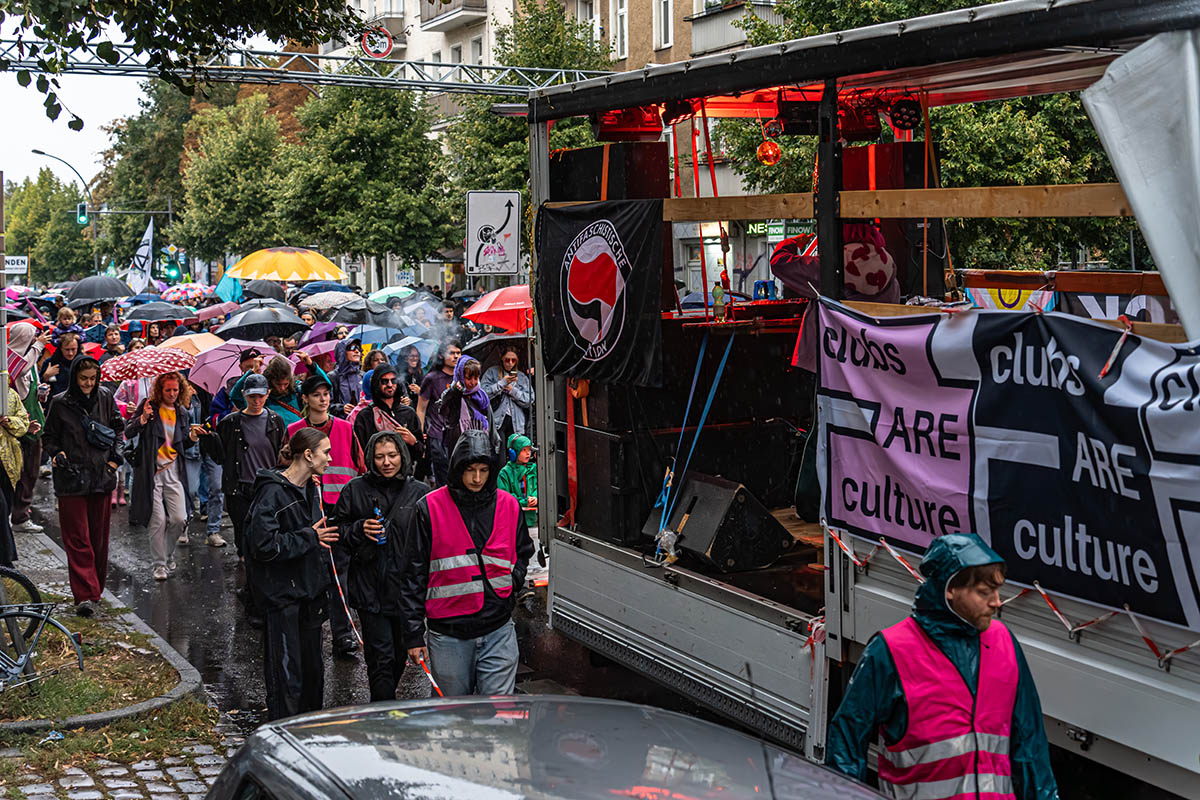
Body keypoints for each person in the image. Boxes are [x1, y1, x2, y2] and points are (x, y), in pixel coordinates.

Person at [826, 533, 1058, 800]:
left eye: (997, 591)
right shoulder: (891, 651)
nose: (996, 602)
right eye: (984, 592)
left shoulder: (1004, 643)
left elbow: (1030, 747)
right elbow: (847, 740)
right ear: (950, 588)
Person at [401, 428, 532, 696]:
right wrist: (414, 635)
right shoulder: (428, 508)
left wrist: (513, 580)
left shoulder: (508, 505)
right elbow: (413, 574)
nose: (476, 478)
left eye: (484, 470)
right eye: (470, 470)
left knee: (498, 715)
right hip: (449, 635)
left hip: (498, 628)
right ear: (457, 468)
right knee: (457, 719)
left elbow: (522, 551)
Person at [245, 426, 338, 721]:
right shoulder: (272, 493)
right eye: (326, 452)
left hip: (310, 596)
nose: (330, 458)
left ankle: (310, 734)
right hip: (283, 600)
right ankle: (284, 737)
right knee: (287, 678)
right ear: (308, 455)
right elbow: (263, 546)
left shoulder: (312, 487)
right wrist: (309, 537)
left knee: (313, 675)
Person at [331, 431, 429, 701]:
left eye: (393, 455)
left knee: (400, 656)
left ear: (402, 456)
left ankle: (384, 704)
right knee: (381, 659)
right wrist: (358, 529)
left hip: (406, 592)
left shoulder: (420, 493)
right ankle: (382, 712)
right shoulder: (355, 489)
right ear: (371, 459)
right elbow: (336, 531)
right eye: (380, 456)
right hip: (370, 589)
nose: (387, 462)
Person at [42, 357, 125, 617]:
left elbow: (118, 430)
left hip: (101, 476)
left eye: (92, 378)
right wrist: (57, 454)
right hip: (71, 478)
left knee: (98, 539)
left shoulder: (106, 397)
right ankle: (85, 595)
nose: (88, 384)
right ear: (75, 378)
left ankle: (95, 590)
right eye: (83, 379)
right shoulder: (59, 403)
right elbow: (50, 437)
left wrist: (114, 461)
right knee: (77, 538)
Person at [287, 373, 361, 658]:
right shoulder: (294, 429)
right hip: (305, 509)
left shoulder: (344, 428)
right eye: (317, 394)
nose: (323, 399)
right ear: (305, 398)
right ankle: (310, 630)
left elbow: (359, 466)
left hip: (339, 510)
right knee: (311, 571)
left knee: (339, 571)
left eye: (326, 393)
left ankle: (342, 634)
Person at [125, 372, 204, 581]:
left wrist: (193, 437)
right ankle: (159, 565)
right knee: (157, 521)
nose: (171, 393)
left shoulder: (182, 412)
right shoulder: (149, 406)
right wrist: (142, 419)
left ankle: (167, 556)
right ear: (160, 390)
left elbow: (183, 443)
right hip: (151, 472)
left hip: (174, 470)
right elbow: (129, 431)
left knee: (180, 519)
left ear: (181, 390)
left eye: (175, 390)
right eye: (167, 389)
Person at [217, 373, 286, 559]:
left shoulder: (276, 421)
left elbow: (281, 453)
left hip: (267, 486)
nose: (256, 401)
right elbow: (219, 455)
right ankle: (246, 567)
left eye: (260, 396)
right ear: (244, 395)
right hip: (240, 487)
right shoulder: (230, 423)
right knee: (242, 531)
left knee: (266, 528)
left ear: (268, 394)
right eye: (252, 396)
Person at [8, 323, 49, 534]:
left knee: (30, 473)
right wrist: (38, 347)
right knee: (19, 473)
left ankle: (20, 513)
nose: (36, 340)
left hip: (34, 423)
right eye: (32, 337)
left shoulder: (30, 360)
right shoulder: (9, 358)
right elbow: (18, 369)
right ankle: (18, 516)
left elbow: (31, 384)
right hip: (17, 427)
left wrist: (42, 393)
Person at [231, 353, 331, 427]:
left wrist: (311, 365)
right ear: (270, 380)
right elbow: (235, 396)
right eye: (278, 384)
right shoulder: (262, 397)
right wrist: (252, 372)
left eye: (286, 384)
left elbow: (326, 387)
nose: (282, 388)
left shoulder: (297, 391)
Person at [353, 365, 421, 470]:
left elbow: (421, 453)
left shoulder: (408, 413)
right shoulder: (365, 416)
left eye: (393, 381)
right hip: (374, 478)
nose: (390, 385)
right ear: (376, 383)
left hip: (404, 478)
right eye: (384, 381)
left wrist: (413, 441)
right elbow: (360, 454)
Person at [416, 340, 460, 486]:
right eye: (452, 353)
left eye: (458, 353)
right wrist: (420, 432)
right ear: (441, 355)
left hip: (459, 434)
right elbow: (421, 408)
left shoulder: (462, 377)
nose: (456, 356)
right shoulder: (432, 378)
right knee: (443, 476)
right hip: (437, 435)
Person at [437, 355, 495, 458]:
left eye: (476, 378)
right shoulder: (452, 393)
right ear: (460, 376)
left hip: (480, 444)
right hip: (458, 445)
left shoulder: (482, 396)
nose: (473, 382)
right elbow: (444, 410)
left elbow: (490, 420)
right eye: (468, 378)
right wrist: (455, 391)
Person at [481, 347, 532, 445]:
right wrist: (501, 384)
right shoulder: (492, 372)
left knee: (514, 456)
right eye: (507, 360)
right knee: (500, 456)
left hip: (517, 424)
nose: (510, 363)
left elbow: (530, 400)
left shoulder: (521, 377)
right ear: (502, 359)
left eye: (513, 360)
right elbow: (483, 394)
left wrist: (512, 391)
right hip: (497, 422)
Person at [497, 434, 537, 530]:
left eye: (529, 450)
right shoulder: (505, 473)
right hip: (513, 522)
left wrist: (536, 497)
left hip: (532, 521)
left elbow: (538, 487)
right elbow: (505, 497)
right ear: (513, 453)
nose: (528, 453)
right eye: (524, 450)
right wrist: (523, 502)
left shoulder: (532, 469)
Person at [42, 331, 80, 395]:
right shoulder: (50, 363)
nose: (70, 353)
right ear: (61, 349)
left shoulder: (82, 363)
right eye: (67, 350)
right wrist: (45, 377)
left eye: (73, 349)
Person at [331, 339, 363, 414]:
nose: (357, 351)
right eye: (352, 348)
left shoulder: (363, 376)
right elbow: (324, 405)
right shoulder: (333, 377)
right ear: (342, 352)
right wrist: (341, 409)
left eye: (358, 348)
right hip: (341, 423)